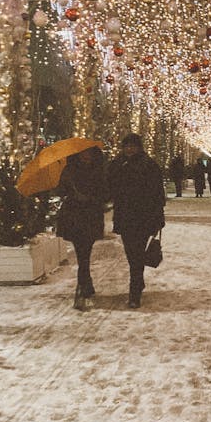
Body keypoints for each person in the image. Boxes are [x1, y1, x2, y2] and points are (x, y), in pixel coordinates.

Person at [108, 133, 166, 308]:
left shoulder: (149, 165)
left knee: (137, 255)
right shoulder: (117, 165)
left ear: (139, 147)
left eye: (133, 146)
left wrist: (158, 218)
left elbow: (158, 194)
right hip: (125, 216)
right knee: (131, 254)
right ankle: (138, 283)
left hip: (143, 216)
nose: (129, 149)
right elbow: (110, 187)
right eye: (126, 146)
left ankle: (135, 293)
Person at [57, 147, 107, 311]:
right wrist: (72, 195)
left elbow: (106, 192)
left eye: (89, 154)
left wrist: (91, 198)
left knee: (85, 251)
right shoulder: (69, 170)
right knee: (82, 251)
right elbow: (60, 190)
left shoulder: (99, 170)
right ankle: (83, 285)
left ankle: (85, 283)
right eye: (82, 153)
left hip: (91, 215)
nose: (86, 156)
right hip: (74, 216)